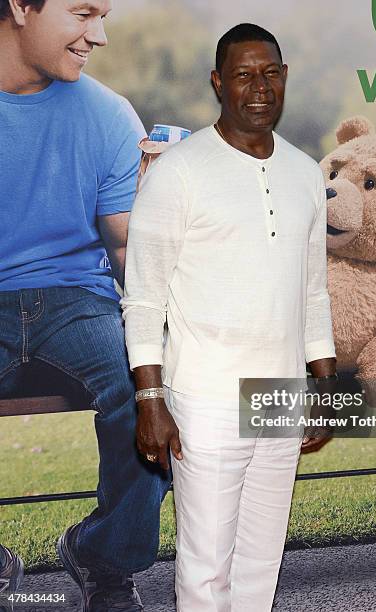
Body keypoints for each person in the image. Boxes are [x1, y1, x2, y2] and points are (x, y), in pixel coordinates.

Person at [122, 22, 337, 612]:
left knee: (261, 563)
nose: (259, 87)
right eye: (243, 75)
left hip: (280, 395)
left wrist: (325, 388)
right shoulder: (178, 172)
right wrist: (150, 401)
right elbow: (143, 299)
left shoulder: (305, 173)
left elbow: (312, 293)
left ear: (285, 78)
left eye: (270, 73)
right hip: (205, 398)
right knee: (205, 567)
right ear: (219, 82)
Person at [0, 1, 171, 611]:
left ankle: (106, 559)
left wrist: (162, 226)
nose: (98, 35)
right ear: (21, 6)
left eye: (103, 15)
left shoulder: (107, 114)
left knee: (153, 387)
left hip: (77, 300)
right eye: (83, 13)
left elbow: (123, 245)